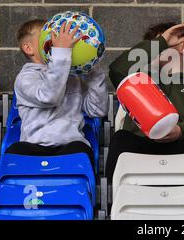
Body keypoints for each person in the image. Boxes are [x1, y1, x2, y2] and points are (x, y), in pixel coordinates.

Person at [106, 22, 184, 180]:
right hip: (142, 146)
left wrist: (180, 131)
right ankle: (113, 199)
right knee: (120, 139)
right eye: (155, 44)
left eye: (166, 42)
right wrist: (162, 42)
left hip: (182, 146)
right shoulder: (139, 81)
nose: (157, 48)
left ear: (183, 46)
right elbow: (116, 69)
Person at [6, 19, 109, 167]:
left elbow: (97, 110)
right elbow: (49, 96)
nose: (57, 41)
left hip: (70, 145)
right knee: (15, 151)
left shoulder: (72, 76)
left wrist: (92, 69)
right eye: (48, 36)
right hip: (34, 146)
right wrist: (61, 53)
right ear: (28, 48)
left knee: (81, 150)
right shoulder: (25, 78)